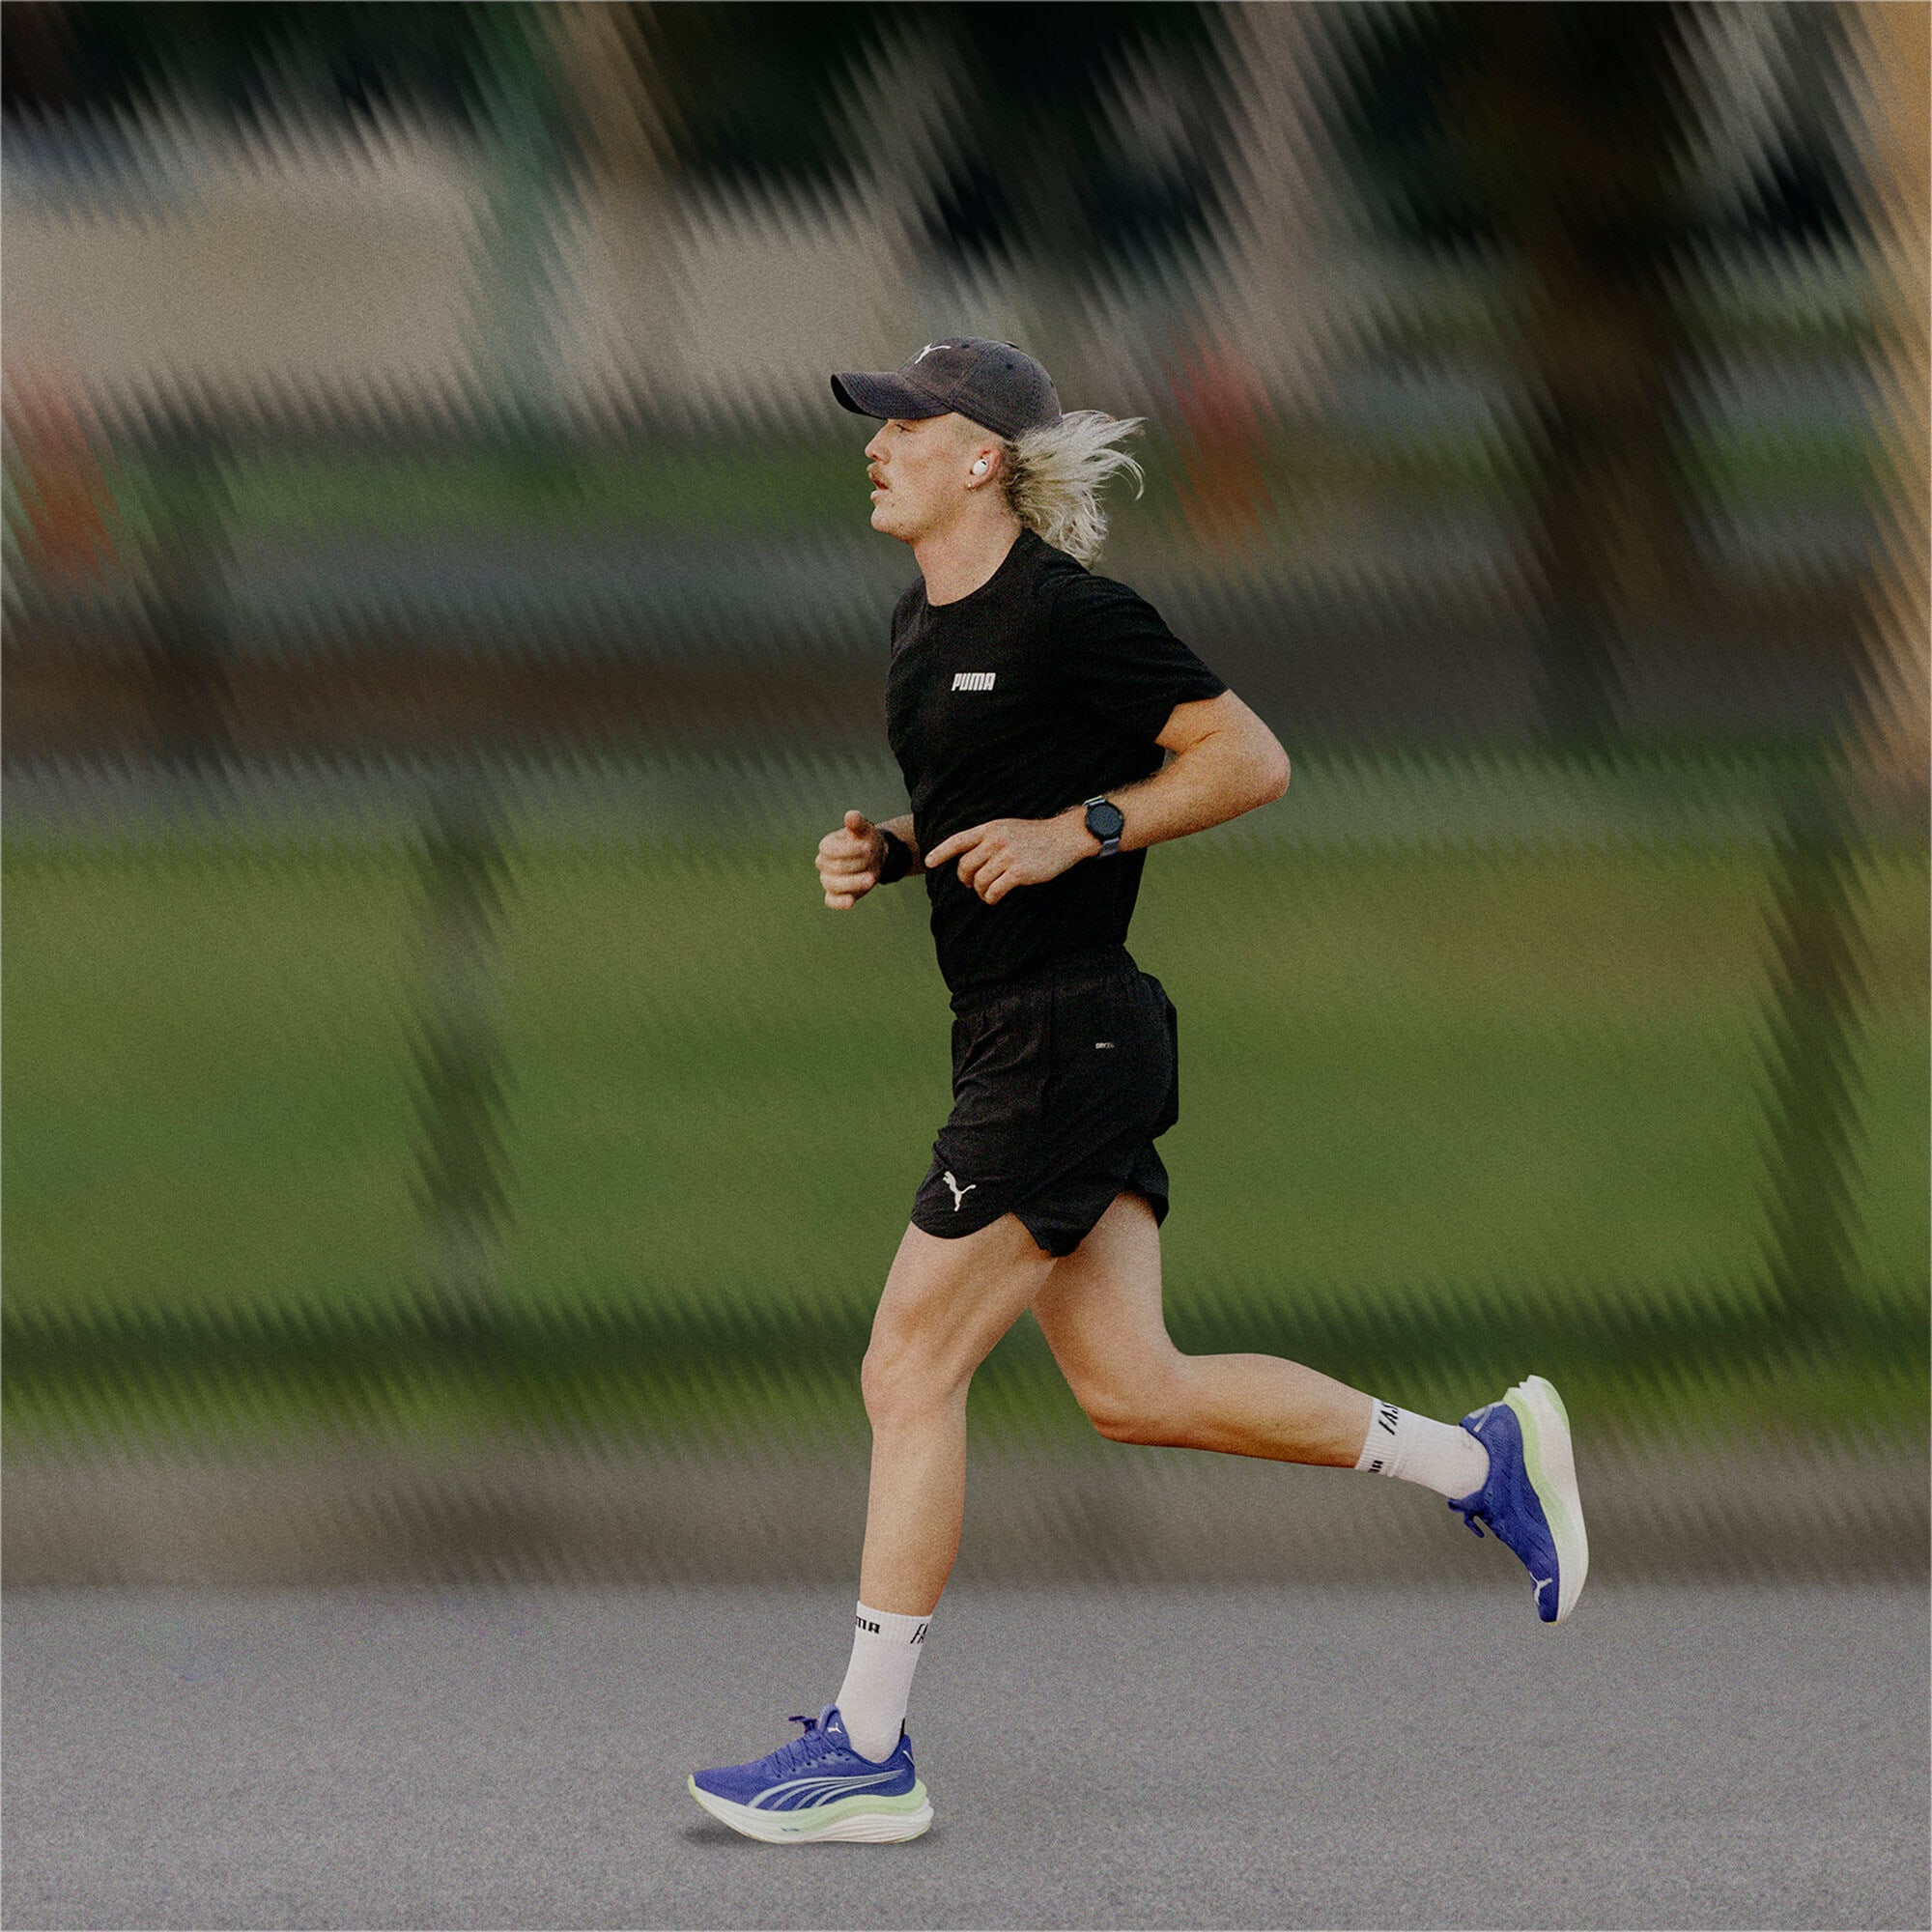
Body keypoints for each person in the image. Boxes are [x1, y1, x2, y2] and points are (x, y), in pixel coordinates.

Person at [688, 338, 1587, 1845]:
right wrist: (898, 852)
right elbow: (992, 801)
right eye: (877, 424)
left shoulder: (1070, 613)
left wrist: (1084, 830)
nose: (878, 445)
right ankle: (1473, 1456)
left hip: (1066, 1040)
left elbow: (1249, 758)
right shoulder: (922, 624)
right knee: (1134, 1390)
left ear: (982, 458)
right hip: (1030, 1037)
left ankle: (868, 1751)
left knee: (907, 1370)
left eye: (906, 424)